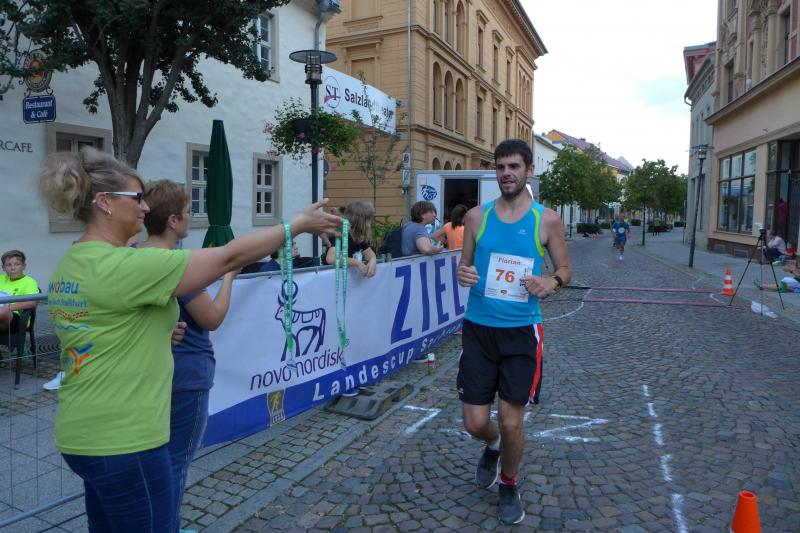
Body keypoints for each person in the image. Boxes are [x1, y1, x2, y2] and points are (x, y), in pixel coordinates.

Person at [38, 146, 340, 532]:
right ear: (105, 203)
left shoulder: (72, 261)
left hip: (81, 433)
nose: (145, 207)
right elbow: (229, 257)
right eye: (136, 198)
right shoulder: (125, 266)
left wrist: (157, 332)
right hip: (125, 438)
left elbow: (101, 328)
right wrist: (295, 225)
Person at [456, 139, 571, 525]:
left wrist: (551, 281)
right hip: (479, 329)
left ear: (529, 171)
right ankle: (491, 446)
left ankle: (509, 482)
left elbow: (565, 270)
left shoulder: (547, 220)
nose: (506, 173)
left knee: (511, 420)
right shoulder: (477, 217)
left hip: (522, 331)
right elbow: (464, 267)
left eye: (514, 166)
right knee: (475, 422)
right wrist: (463, 274)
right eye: (501, 167)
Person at [137, 180, 237, 532]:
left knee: (151, 463)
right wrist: (228, 278)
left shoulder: (132, 255)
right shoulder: (176, 265)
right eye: (187, 211)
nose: (191, 217)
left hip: (148, 375)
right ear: (172, 221)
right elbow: (211, 318)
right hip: (186, 376)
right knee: (175, 463)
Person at [325, 200, 378, 278]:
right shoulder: (342, 233)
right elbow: (331, 258)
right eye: (368, 219)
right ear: (361, 220)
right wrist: (357, 263)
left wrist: (373, 260)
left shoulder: (358, 235)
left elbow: (368, 252)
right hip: (331, 280)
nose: (370, 223)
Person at [0, 250, 39, 337]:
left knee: (2, 311)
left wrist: (7, 308)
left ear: (23, 266)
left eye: (17, 264)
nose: (13, 268)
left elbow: (32, 302)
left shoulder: (29, 282)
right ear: (3, 268)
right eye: (8, 265)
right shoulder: (1, 279)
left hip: (17, 318)